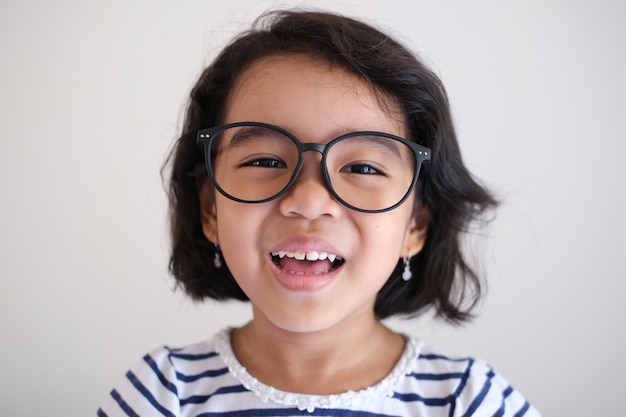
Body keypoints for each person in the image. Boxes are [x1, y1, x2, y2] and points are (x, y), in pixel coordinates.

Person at [98, 9, 540, 416]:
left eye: (362, 167)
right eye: (265, 162)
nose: (309, 200)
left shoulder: (471, 401)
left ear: (416, 223)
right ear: (210, 208)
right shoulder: (161, 394)